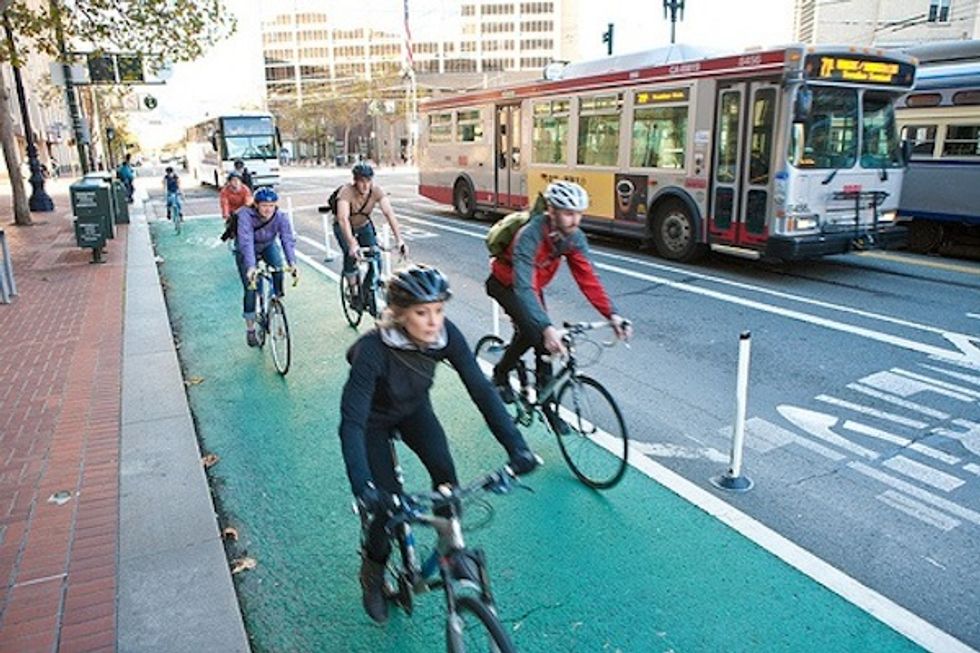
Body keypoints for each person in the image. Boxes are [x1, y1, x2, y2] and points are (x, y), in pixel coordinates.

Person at [338, 265, 540, 624]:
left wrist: (517, 448)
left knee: (447, 478)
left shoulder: (446, 336)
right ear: (400, 315)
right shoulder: (373, 349)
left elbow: (482, 391)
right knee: (385, 508)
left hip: (415, 410)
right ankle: (372, 574)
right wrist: (363, 487)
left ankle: (451, 546)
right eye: (421, 312)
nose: (433, 322)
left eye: (439, 310)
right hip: (374, 421)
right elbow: (351, 422)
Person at [485, 180, 632, 433]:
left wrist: (613, 314)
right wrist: (544, 327)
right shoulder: (529, 235)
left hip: (532, 286)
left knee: (538, 334)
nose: (575, 220)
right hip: (506, 284)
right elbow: (523, 287)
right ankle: (501, 376)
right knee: (539, 334)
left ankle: (543, 395)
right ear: (551, 212)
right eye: (568, 213)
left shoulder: (572, 238)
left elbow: (588, 279)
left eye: (579, 213)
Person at [334, 163, 408, 306]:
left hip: (363, 225)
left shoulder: (376, 191)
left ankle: (367, 290)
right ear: (355, 181)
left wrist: (400, 240)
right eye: (361, 181)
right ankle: (354, 292)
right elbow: (343, 219)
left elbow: (389, 213)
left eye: (368, 181)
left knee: (375, 258)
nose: (365, 185)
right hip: (344, 227)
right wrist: (352, 243)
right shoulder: (346, 192)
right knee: (351, 255)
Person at [235, 186, 298, 347]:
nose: (268, 209)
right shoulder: (245, 215)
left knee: (278, 267)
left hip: (267, 245)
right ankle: (250, 329)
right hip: (247, 250)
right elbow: (246, 241)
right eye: (264, 205)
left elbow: (287, 240)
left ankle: (276, 302)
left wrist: (292, 263)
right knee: (250, 287)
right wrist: (250, 267)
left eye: (271, 205)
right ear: (256, 205)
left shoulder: (280, 217)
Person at [219, 171, 253, 240]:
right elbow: (224, 203)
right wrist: (226, 214)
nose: (236, 182)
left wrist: (243, 211)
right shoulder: (225, 191)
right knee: (231, 226)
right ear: (229, 182)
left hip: (243, 210)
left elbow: (248, 202)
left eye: (238, 180)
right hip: (232, 213)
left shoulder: (245, 189)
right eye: (234, 180)